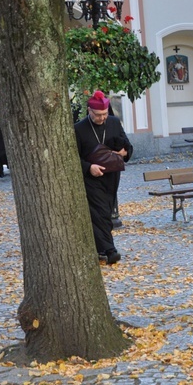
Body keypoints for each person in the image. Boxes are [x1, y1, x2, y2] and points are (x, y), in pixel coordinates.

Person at [74, 90, 132, 265]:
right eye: (98, 115)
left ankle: (100, 249)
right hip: (92, 178)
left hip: (111, 176)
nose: (102, 118)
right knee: (99, 212)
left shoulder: (113, 122)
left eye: (105, 114)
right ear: (90, 111)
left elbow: (127, 144)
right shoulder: (79, 128)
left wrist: (124, 152)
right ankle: (110, 250)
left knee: (105, 211)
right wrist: (89, 167)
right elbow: (74, 156)